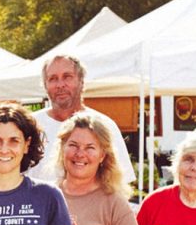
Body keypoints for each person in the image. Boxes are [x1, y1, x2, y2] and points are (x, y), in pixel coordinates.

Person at [31, 55, 135, 185]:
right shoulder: (30, 126)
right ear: (45, 85)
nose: (60, 84)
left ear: (81, 81)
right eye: (53, 79)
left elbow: (120, 183)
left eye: (67, 77)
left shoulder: (104, 126)